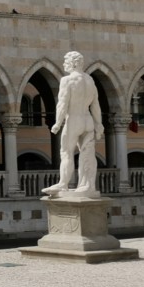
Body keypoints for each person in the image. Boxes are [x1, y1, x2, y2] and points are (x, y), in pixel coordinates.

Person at [43, 50, 104, 197]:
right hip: (88, 120)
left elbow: (62, 103)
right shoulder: (90, 80)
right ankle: (88, 185)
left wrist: (58, 122)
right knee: (88, 154)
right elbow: (95, 105)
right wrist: (99, 124)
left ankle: (63, 184)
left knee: (66, 153)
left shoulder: (67, 80)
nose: (64, 64)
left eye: (66, 61)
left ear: (74, 63)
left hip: (74, 120)